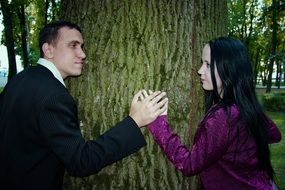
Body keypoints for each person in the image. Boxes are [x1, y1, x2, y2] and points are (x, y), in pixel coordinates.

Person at [0, 21, 168, 190]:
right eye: (73, 45)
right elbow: (81, 161)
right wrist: (134, 121)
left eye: (81, 46)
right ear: (49, 50)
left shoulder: (19, 80)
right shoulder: (54, 95)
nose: (82, 54)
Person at [146, 37, 282, 190]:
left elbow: (188, 164)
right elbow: (274, 134)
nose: (199, 71)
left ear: (230, 68)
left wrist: (158, 124)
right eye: (202, 63)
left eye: (208, 64)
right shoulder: (245, 107)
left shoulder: (224, 116)